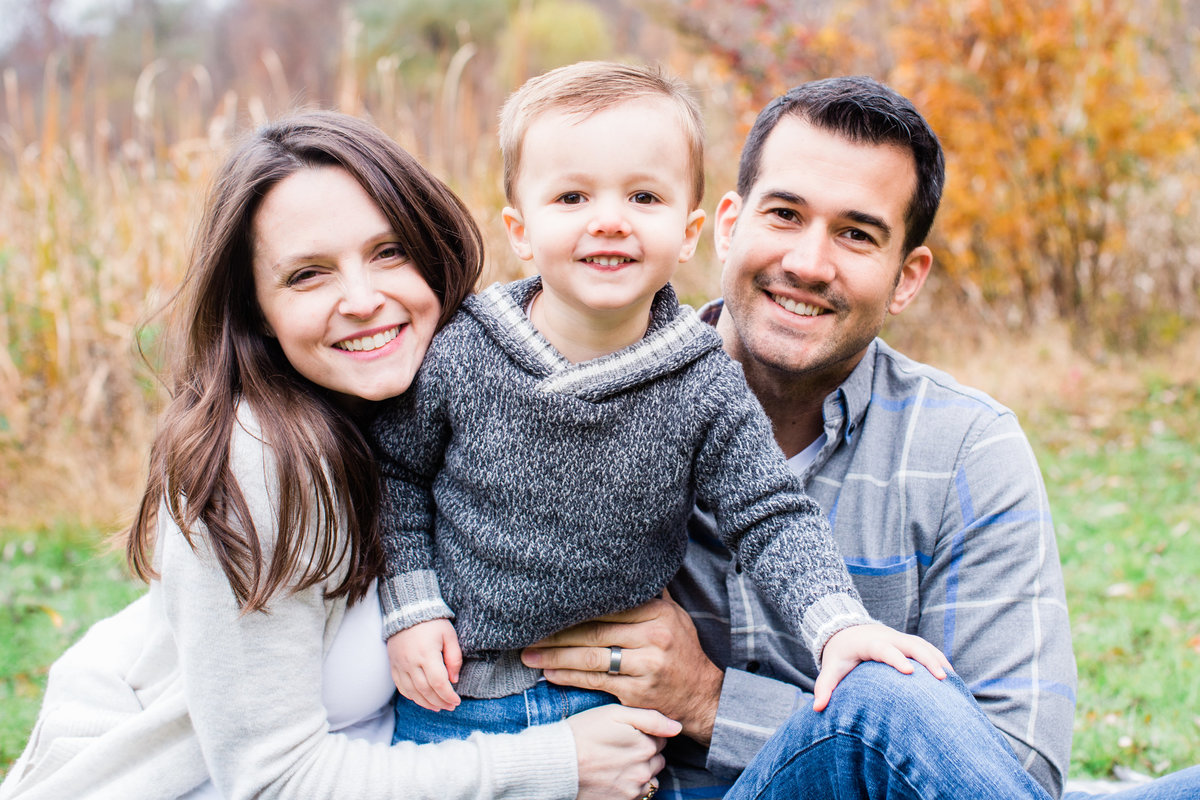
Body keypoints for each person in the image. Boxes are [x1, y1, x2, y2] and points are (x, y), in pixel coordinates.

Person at [0, 110, 681, 800]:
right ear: (258, 311)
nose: (362, 300)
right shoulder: (260, 457)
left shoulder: (449, 410)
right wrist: (557, 764)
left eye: (389, 253)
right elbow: (273, 780)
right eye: (307, 275)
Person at [516, 75, 1125, 799]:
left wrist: (711, 700)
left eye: (856, 235)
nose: (808, 264)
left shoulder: (967, 447)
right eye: (785, 214)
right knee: (885, 694)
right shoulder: (584, 400)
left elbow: (1013, 767)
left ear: (907, 279)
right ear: (728, 224)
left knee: (884, 701)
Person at [369, 61, 949, 768]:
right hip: (455, 695)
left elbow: (770, 516)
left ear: (691, 231)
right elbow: (395, 473)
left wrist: (835, 627)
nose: (609, 220)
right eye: (572, 196)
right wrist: (412, 605)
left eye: (644, 197)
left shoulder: (702, 379)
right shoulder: (464, 350)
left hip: (609, 712)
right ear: (521, 229)